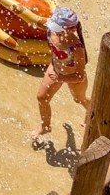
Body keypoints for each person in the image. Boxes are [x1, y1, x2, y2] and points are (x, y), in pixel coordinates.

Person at [32, 7, 92, 144]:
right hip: (56, 68)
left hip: (73, 77)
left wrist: (61, 78)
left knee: (79, 99)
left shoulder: (76, 48)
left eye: (57, 28)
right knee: (41, 98)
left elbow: (80, 76)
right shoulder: (51, 31)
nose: (53, 30)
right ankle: (45, 126)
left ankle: (91, 112)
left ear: (71, 30)